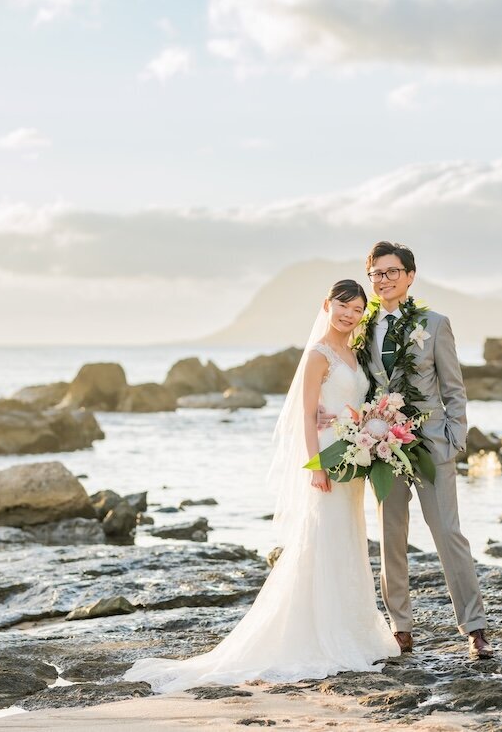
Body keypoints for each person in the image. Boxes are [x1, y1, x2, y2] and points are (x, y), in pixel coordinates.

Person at [124, 279, 400, 693]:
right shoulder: (317, 354)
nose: (349, 314)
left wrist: (365, 430)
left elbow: (351, 404)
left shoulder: (354, 351)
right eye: (343, 306)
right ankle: (317, 634)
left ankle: (352, 627)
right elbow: (306, 415)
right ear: (326, 305)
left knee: (348, 537)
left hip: (351, 455)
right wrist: (314, 466)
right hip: (326, 455)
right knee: (322, 537)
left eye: (357, 309)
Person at [357, 241, 493, 659]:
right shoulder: (362, 327)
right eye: (377, 273)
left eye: (391, 272)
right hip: (383, 447)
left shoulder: (435, 324)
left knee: (448, 533)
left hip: (433, 444)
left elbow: (454, 388)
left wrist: (455, 438)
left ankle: (475, 627)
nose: (383, 280)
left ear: (410, 276)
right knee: (391, 536)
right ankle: (400, 627)